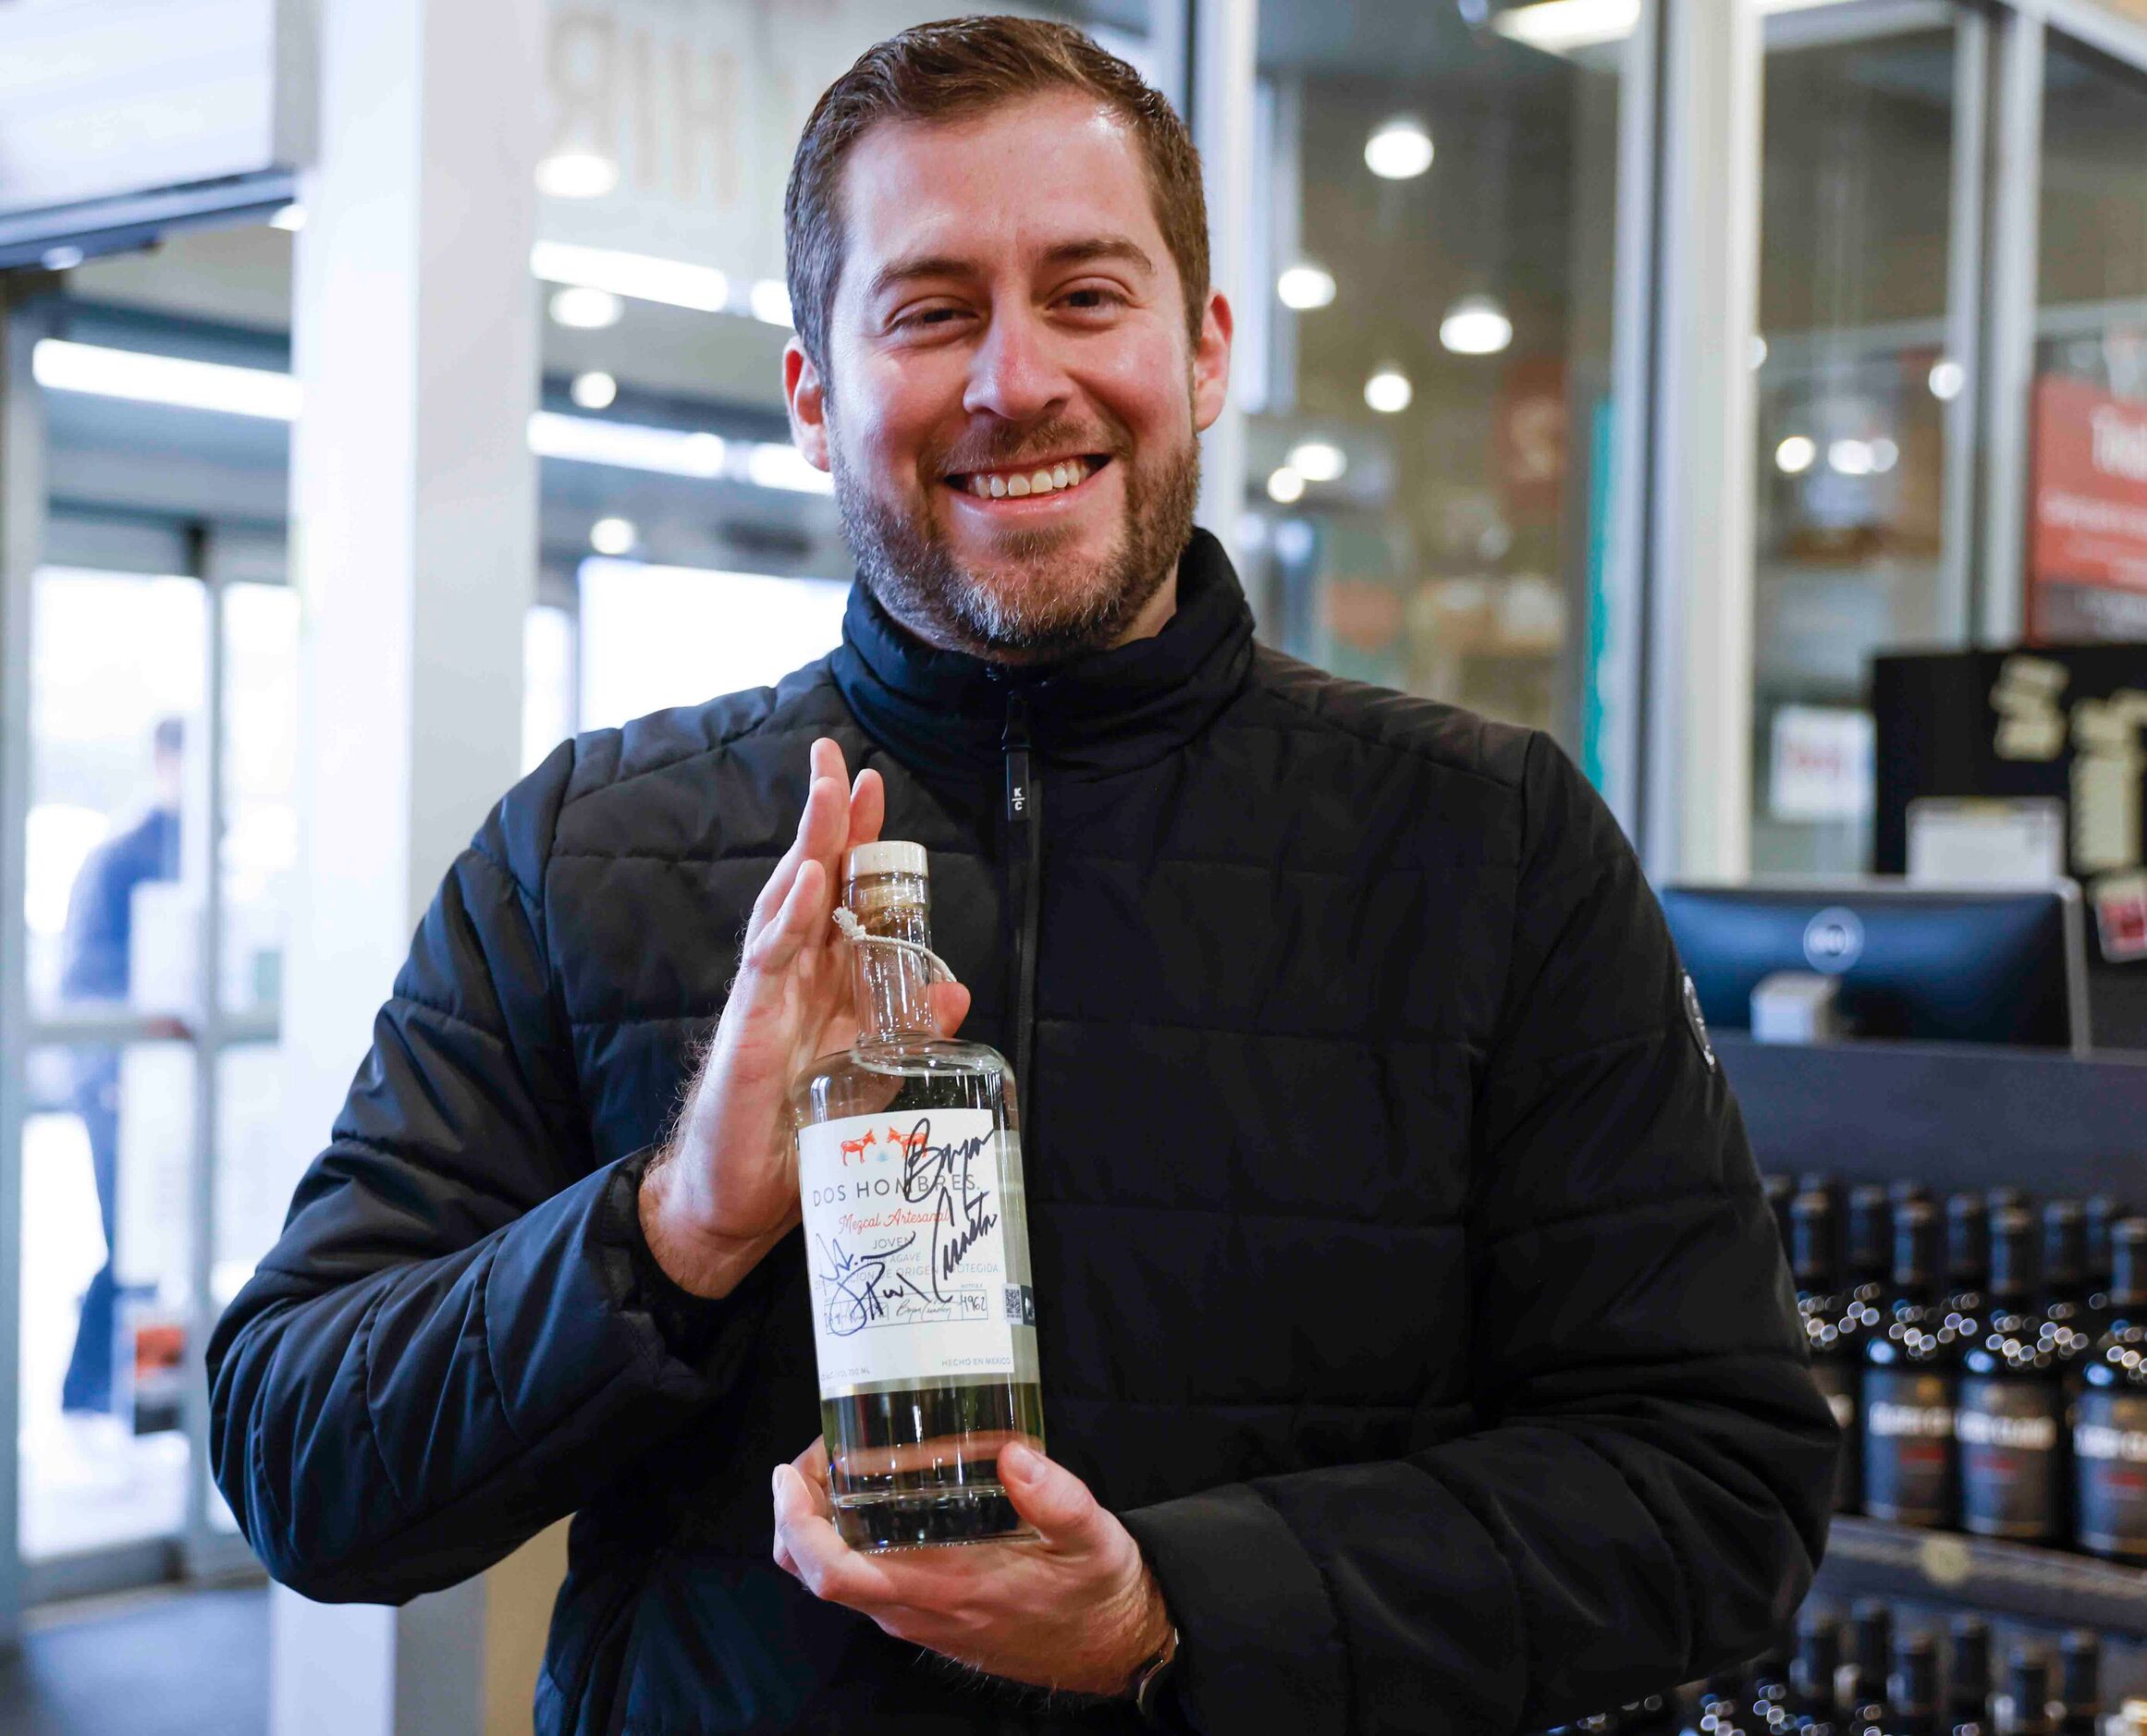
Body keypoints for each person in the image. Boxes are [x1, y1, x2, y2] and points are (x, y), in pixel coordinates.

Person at [208, 18, 1836, 1734]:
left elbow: (1718, 1488)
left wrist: (1171, 1607)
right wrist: (675, 1222)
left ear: (1201, 351)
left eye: (1084, 293)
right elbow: (306, 1468)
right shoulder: (587, 851)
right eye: (929, 309)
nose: (1014, 381)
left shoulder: (1484, 842)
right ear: (813, 394)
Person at [61, 715, 183, 1416]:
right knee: (131, 1238)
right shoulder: (118, 860)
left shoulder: (194, 852)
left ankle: (128, 1396)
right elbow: (84, 985)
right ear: (164, 760)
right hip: (115, 1082)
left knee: (154, 1242)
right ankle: (98, 1389)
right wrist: (109, 1073)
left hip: (167, 1088)